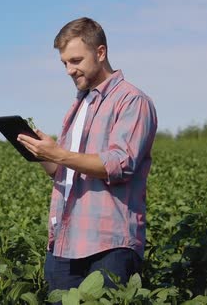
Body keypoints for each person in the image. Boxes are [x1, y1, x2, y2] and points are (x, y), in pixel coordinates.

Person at [17, 17, 157, 292]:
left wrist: (59, 154)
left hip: (109, 244)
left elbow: (120, 164)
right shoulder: (80, 104)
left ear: (101, 52)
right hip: (65, 241)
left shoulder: (132, 101)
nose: (70, 70)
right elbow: (63, 172)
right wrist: (42, 153)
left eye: (76, 60)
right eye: (65, 63)